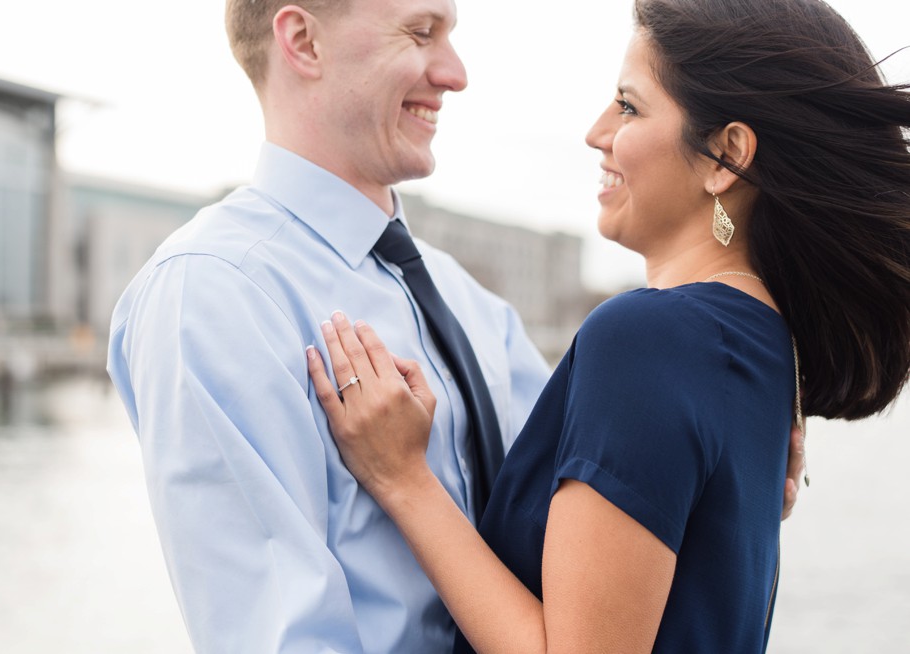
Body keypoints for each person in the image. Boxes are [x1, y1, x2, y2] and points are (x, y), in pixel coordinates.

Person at [307, 0, 910, 652]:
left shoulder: (649, 336)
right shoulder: (766, 352)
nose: (596, 133)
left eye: (628, 106)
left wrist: (404, 480)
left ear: (725, 156)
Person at [106, 0, 554, 651]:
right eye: (422, 33)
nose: (455, 74)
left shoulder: (470, 301)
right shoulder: (214, 291)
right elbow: (280, 636)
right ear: (303, 42)